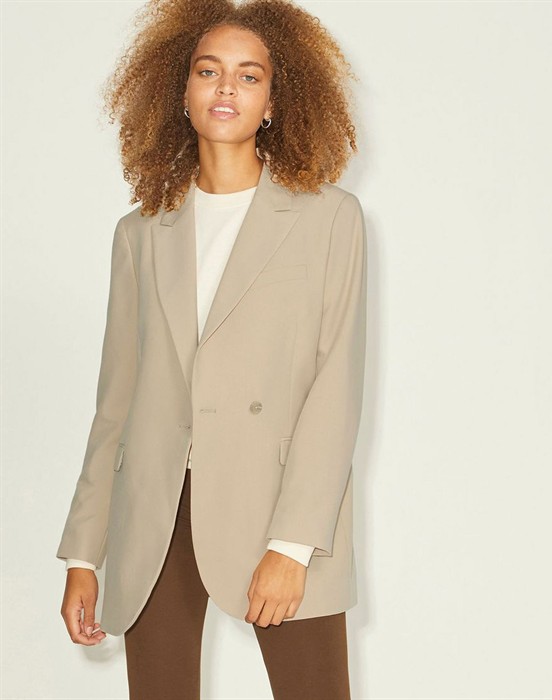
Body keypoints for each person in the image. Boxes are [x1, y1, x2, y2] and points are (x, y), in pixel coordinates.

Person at [57, 0, 367, 697]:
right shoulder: (141, 233)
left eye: (249, 75)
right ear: (181, 89)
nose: (226, 87)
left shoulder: (329, 219)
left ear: (274, 102)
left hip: (279, 508)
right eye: (208, 71)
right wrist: (83, 552)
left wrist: (292, 545)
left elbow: (336, 390)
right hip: (156, 513)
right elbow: (116, 403)